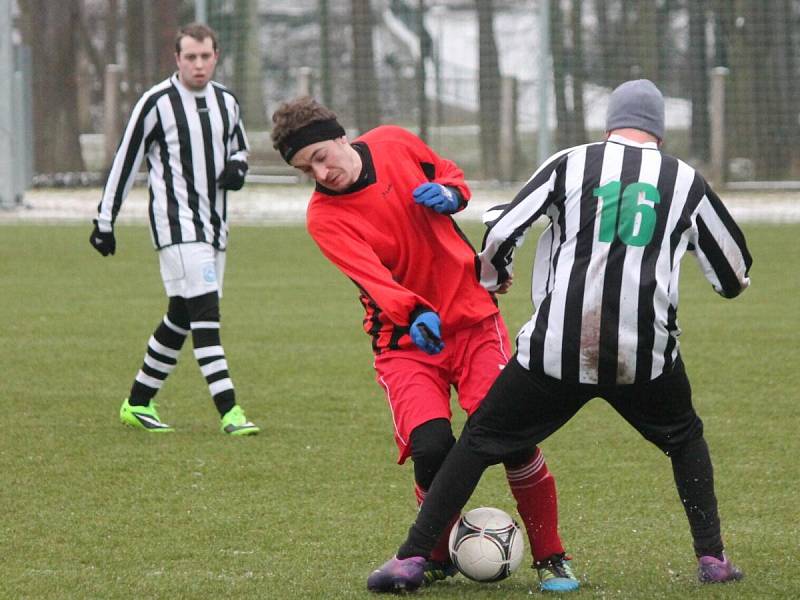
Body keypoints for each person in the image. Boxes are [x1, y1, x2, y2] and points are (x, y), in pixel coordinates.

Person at [368, 79, 752, 592]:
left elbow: (505, 230)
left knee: (479, 439)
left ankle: (412, 558)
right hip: (644, 354)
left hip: (557, 349)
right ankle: (713, 559)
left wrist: (495, 273)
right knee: (684, 439)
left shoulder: (571, 162)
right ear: (658, 132)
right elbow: (732, 277)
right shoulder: (687, 181)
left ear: (610, 124)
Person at [270, 97, 579, 592]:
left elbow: (452, 175)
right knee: (431, 445)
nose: (321, 172)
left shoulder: (394, 142)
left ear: (342, 136)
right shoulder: (324, 218)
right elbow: (373, 281)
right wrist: (413, 314)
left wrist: (449, 194)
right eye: (308, 169)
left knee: (513, 439)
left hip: (475, 321)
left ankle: (551, 556)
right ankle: (434, 556)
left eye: (323, 155)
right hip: (405, 341)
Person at [90, 23, 258, 436]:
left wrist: (238, 166)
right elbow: (125, 161)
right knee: (206, 316)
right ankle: (229, 412)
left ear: (215, 56)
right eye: (190, 58)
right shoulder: (156, 103)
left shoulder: (226, 102)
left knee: (181, 315)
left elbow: (239, 145)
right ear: (177, 59)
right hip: (176, 225)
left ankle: (139, 401)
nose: (198, 65)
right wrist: (104, 220)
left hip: (215, 226)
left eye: (205, 57)